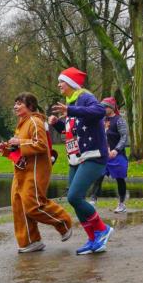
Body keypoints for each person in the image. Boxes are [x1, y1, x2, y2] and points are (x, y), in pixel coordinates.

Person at [49, 67, 114, 254]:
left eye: (61, 81)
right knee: (75, 200)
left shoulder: (84, 97)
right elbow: (75, 130)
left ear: (70, 83)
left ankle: (102, 229)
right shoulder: (71, 102)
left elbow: (98, 111)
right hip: (76, 158)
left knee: (74, 196)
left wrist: (70, 109)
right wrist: (58, 123)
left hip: (93, 156)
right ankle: (93, 239)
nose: (58, 85)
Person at [0, 92, 73, 253]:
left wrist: (20, 142)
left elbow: (41, 145)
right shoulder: (21, 123)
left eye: (20, 103)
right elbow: (19, 149)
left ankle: (64, 222)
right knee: (18, 206)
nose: (15, 106)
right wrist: (6, 149)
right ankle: (30, 241)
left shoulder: (35, 121)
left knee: (33, 205)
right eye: (15, 103)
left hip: (35, 171)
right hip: (20, 171)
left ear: (30, 106)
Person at [88, 98, 130, 213]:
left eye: (104, 107)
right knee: (98, 176)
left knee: (120, 178)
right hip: (103, 155)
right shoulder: (101, 120)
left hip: (117, 155)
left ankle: (121, 204)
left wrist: (116, 150)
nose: (102, 109)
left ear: (111, 108)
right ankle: (93, 200)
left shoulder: (119, 120)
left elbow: (124, 137)